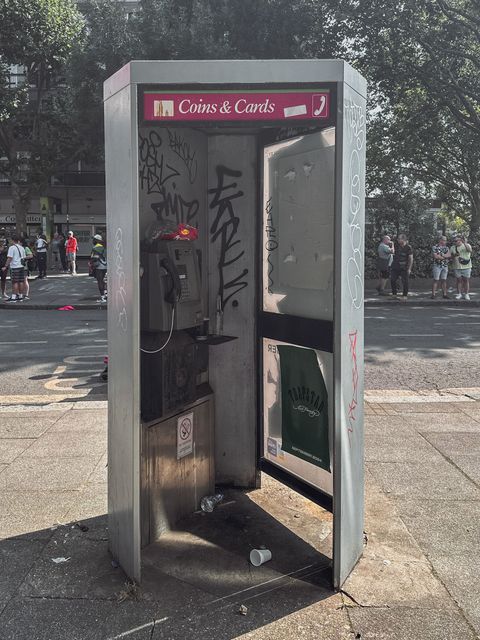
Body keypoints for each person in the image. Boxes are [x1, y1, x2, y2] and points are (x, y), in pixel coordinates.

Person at [2, 233, 26, 302]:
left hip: (15, 267)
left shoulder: (12, 248)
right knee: (21, 281)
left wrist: (5, 266)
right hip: (21, 266)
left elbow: (9, 258)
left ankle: (13, 297)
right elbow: (24, 257)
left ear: (12, 240)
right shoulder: (22, 247)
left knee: (14, 282)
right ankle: (21, 296)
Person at [390, 233, 413, 299]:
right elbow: (392, 252)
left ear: (404, 239)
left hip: (404, 267)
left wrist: (409, 269)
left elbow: (411, 258)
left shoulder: (408, 247)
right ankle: (394, 294)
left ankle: (404, 295)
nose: (398, 240)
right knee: (392, 280)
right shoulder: (396, 245)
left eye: (399, 239)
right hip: (395, 266)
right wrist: (392, 245)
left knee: (405, 281)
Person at [450, 236, 473, 300]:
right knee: (458, 280)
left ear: (461, 240)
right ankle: (459, 294)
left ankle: (466, 294)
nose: (456, 242)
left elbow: (470, 250)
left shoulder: (467, 245)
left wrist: (465, 243)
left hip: (467, 266)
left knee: (466, 281)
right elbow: (451, 256)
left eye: (457, 240)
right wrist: (454, 255)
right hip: (457, 267)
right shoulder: (452, 247)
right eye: (455, 241)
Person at [89, 234, 107, 302]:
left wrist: (91, 264)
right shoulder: (103, 247)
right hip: (105, 266)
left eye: (94, 239)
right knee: (102, 281)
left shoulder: (96, 247)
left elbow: (93, 258)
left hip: (99, 266)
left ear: (97, 241)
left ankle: (102, 297)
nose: (93, 240)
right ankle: (105, 295)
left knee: (100, 281)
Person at [0, 232, 9, 299]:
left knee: (3, 280)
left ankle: (3, 293)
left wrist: (6, 266)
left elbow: (8, 256)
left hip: (4, 266)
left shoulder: (7, 248)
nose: (2, 241)